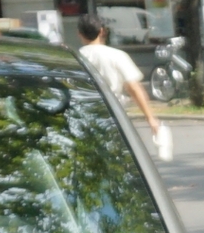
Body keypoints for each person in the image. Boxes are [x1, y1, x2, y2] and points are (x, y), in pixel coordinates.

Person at [74, 15, 172, 161]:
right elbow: (134, 88)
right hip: (113, 113)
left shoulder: (75, 57)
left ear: (79, 34)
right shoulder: (117, 56)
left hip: (82, 114)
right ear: (102, 31)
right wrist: (151, 118)